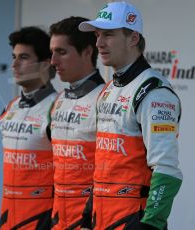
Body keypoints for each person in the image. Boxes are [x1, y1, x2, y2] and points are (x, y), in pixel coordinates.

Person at [78, 2, 183, 229]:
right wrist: (87, 216)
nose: (99, 43)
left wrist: (150, 225)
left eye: (108, 35)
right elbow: (103, 163)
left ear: (133, 38)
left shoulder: (154, 91)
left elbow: (166, 169)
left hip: (133, 218)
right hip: (102, 218)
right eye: (97, 35)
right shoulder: (108, 90)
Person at [49, 16, 105, 229]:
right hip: (58, 219)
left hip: (89, 221)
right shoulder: (59, 100)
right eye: (52, 52)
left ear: (88, 52)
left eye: (62, 52)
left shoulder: (105, 98)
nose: (53, 61)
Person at [0, 26, 57, 230]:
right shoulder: (9, 108)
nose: (14, 64)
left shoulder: (57, 107)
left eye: (23, 57)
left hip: (43, 217)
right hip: (8, 215)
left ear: (45, 64)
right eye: (14, 56)